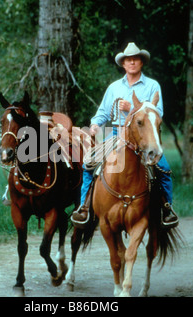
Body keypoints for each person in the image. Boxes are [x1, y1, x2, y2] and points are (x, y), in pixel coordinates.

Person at [71, 42, 178, 228]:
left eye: (136, 59)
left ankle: (166, 208)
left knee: (163, 169)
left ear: (141, 62)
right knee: (89, 164)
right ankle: (85, 207)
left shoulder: (153, 85)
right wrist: (95, 124)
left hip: (144, 137)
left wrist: (131, 108)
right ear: (123, 64)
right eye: (128, 60)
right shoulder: (114, 87)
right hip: (116, 134)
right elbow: (103, 111)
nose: (132, 62)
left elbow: (158, 112)